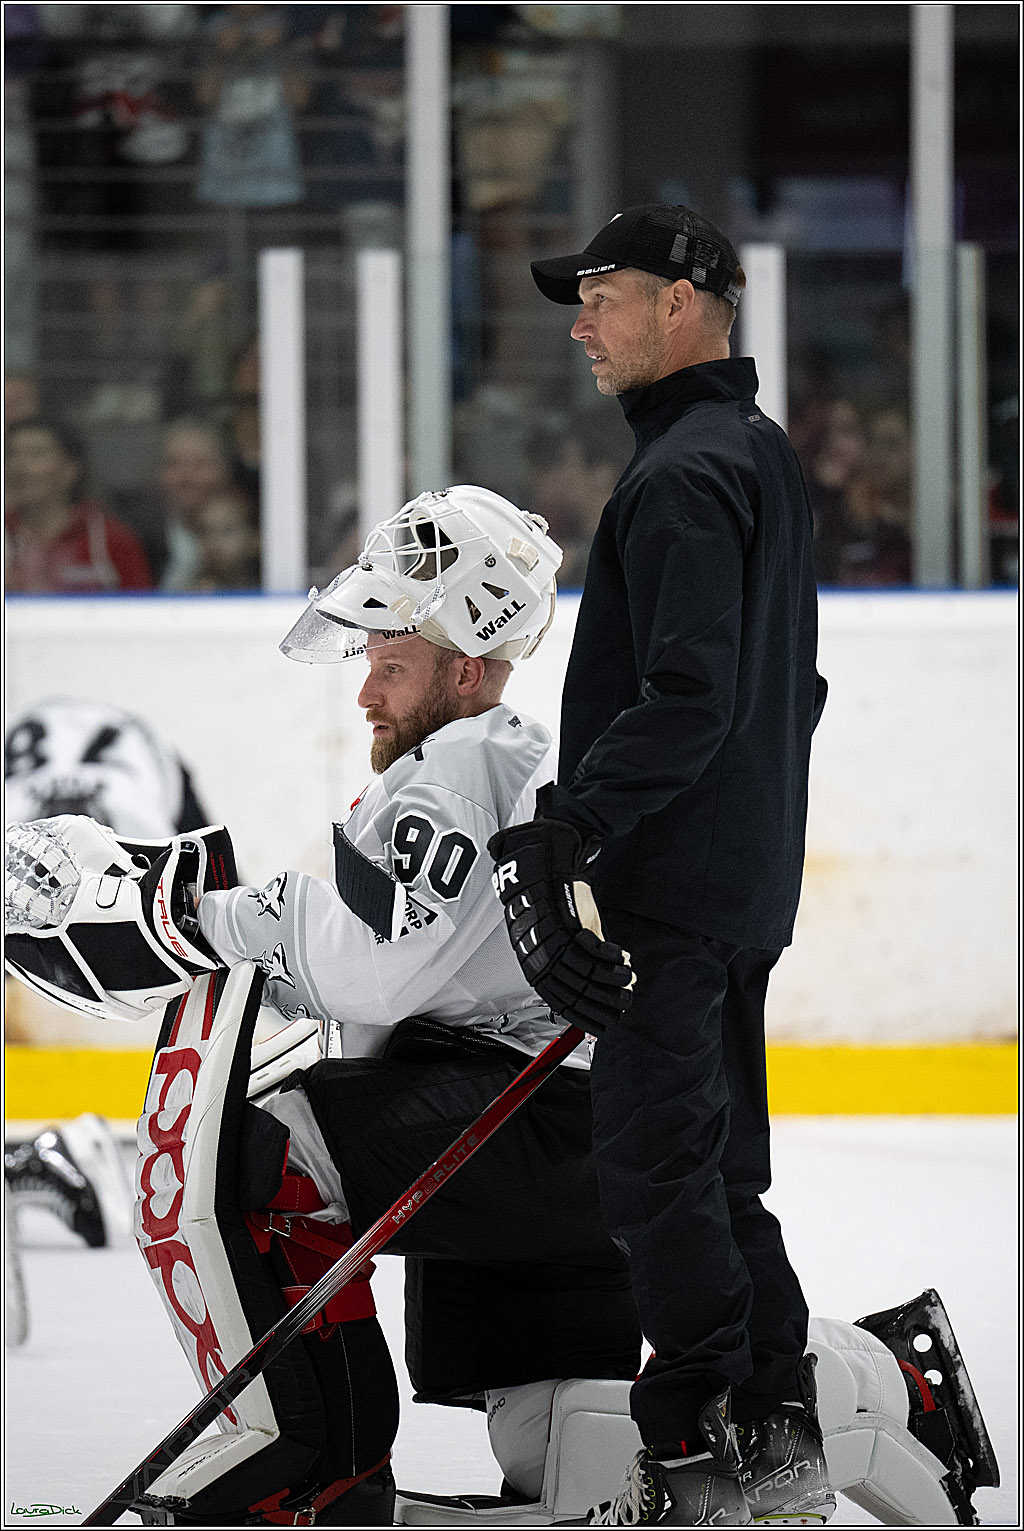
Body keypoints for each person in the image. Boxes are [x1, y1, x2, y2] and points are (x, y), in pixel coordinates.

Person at [3, 492, 998, 1528]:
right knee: (556, 1437)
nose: (365, 696)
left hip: (527, 1134)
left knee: (268, 1152)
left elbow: (362, 972)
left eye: (389, 664)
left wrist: (184, 914)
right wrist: (219, 935)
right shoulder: (506, 766)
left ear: (466, 666)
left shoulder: (458, 770)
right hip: (552, 1138)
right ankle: (871, 1380)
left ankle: (305, 1459)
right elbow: (393, 965)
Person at [488, 204, 832, 1525]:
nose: (579, 321)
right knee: (709, 1167)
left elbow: (695, 694)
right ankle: (779, 1441)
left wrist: (572, 817)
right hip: (736, 882)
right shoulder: (749, 450)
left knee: (652, 1169)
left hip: (677, 892)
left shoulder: (686, 472)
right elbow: (787, 690)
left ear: (681, 301)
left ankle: (701, 1451)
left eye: (601, 294)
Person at [4, 417, 153, 592]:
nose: (20, 466)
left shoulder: (112, 541)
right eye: (12, 454)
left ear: (71, 468)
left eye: (37, 454)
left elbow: (142, 611)